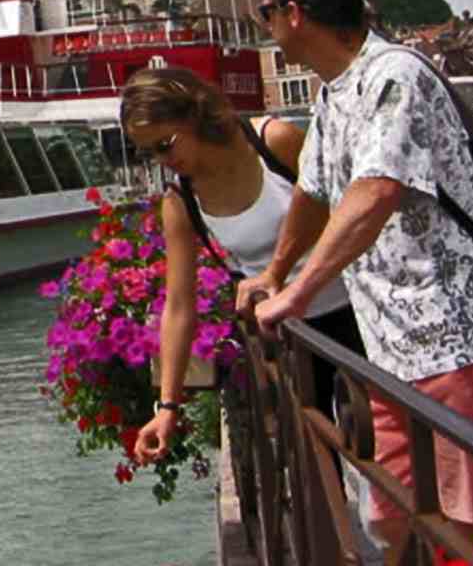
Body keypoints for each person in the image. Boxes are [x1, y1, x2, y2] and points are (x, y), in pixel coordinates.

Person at [238, 0, 473, 548]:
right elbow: (314, 192)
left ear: (294, 13)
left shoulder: (396, 76)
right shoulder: (334, 90)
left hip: (455, 332)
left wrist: (296, 296)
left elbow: (376, 192)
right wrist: (276, 272)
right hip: (390, 347)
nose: (264, 26)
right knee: (389, 515)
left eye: (265, 11)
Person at [124, 68, 363, 465]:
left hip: (358, 315)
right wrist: (167, 407)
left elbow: (353, 211)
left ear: (194, 115)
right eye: (150, 153)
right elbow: (180, 305)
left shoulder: (274, 142)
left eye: (165, 144)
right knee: (319, 476)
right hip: (290, 342)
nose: (164, 161)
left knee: (394, 463)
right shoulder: (180, 200)